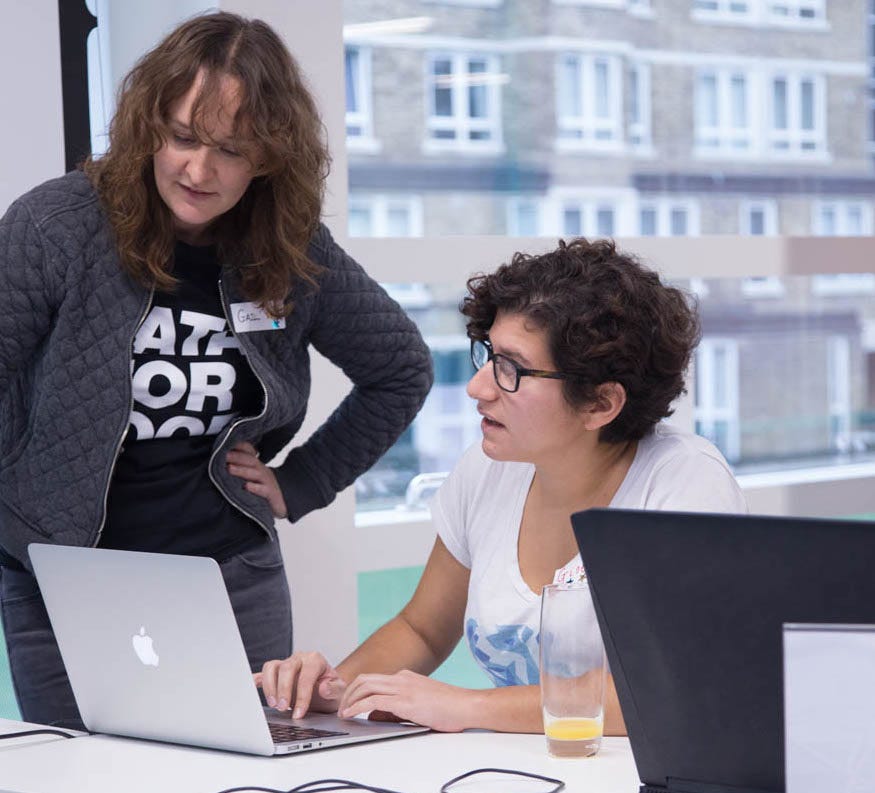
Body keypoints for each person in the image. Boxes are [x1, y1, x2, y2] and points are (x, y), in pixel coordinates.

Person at [0, 12, 432, 729]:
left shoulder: (289, 247)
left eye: (230, 150)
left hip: (229, 583)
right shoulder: (57, 226)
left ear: (267, 156)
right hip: (64, 587)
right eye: (183, 137)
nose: (199, 171)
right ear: (148, 126)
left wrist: (301, 481)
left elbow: (400, 369)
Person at [256, 237, 747, 734]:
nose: (479, 386)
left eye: (512, 368)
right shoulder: (489, 468)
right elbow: (421, 630)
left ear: (600, 404)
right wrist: (331, 691)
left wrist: (464, 707)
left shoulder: (686, 485)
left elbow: (670, 689)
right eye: (488, 355)